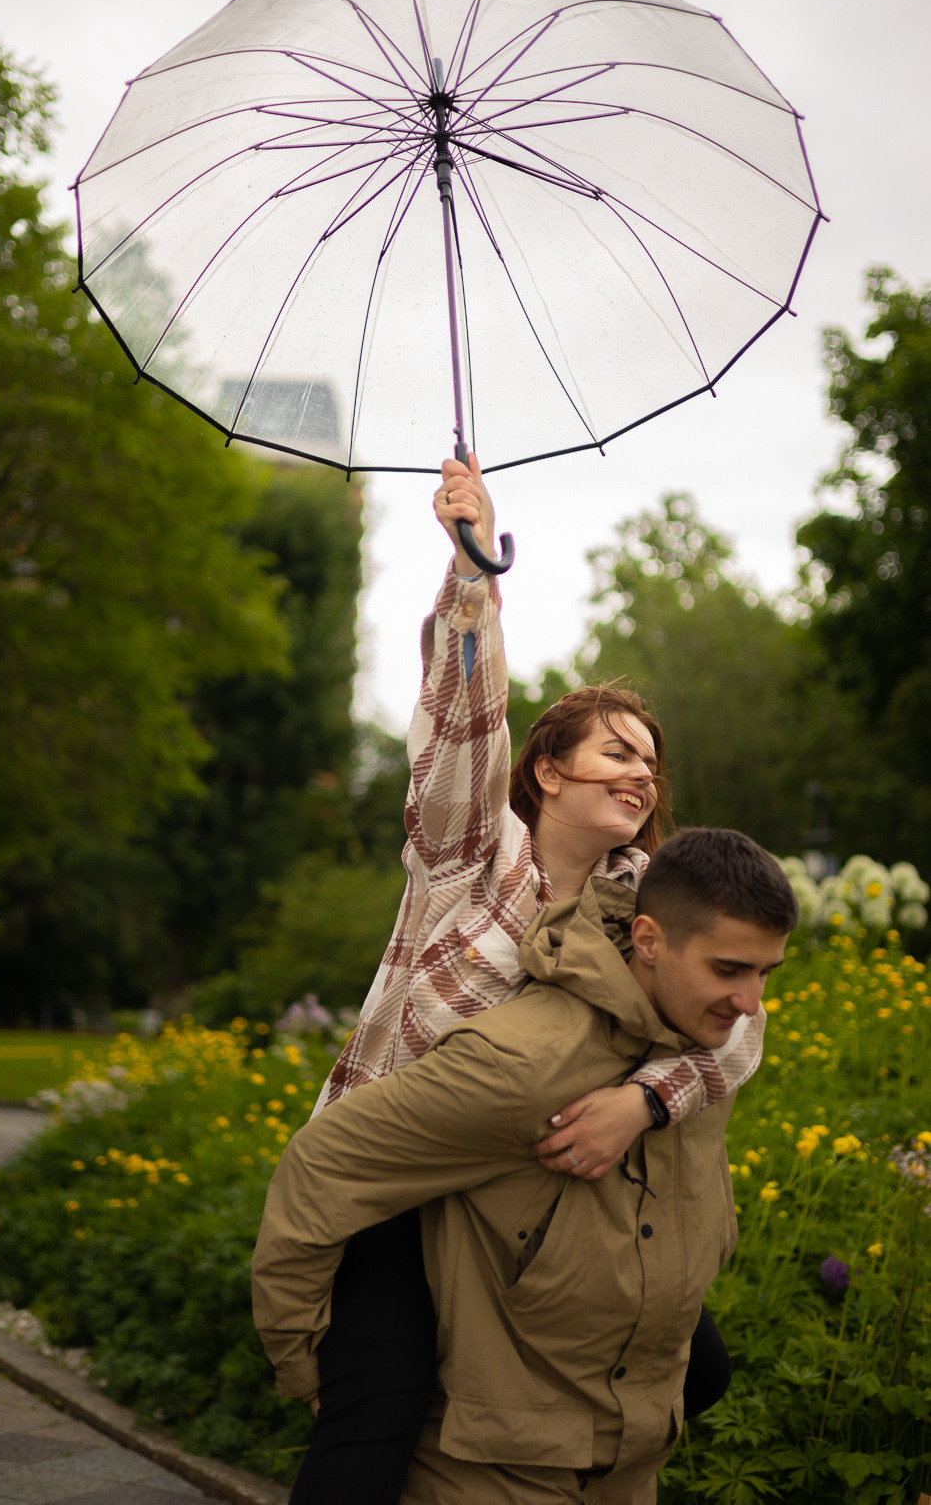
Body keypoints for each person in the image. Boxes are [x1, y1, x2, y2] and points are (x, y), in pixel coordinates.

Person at [282, 455, 763, 1503]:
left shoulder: (646, 901)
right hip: (408, 1184)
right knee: (372, 1420)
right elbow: (462, 730)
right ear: (546, 771)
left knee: (697, 1370)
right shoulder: (472, 854)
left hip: (539, 1203)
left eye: (649, 761)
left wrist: (643, 1102)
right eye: (615, 753)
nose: (641, 772)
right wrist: (471, 576)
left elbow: (734, 1028)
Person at [253, 828, 799, 1504]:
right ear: (649, 941)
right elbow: (319, 1165)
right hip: (498, 1475)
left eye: (765, 973)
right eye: (729, 970)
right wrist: (306, 1364)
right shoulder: (521, 1065)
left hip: (626, 1467)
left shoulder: (709, 1041)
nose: (750, 1002)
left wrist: (646, 1101)